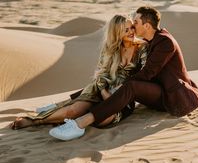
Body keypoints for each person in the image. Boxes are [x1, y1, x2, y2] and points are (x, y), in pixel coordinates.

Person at [49, 6, 198, 141]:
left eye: (136, 22)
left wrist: (120, 87)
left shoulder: (165, 42)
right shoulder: (151, 41)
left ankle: (80, 124)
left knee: (131, 86)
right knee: (116, 84)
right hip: (160, 90)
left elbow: (148, 73)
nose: (133, 26)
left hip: (175, 99)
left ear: (147, 25)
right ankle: (63, 106)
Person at [10, 14, 148, 130]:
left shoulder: (142, 47)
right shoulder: (110, 49)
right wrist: (104, 92)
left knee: (103, 121)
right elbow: (100, 73)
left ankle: (74, 118)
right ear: (116, 33)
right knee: (73, 110)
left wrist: (115, 95)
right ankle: (36, 121)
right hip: (101, 89)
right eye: (126, 30)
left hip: (123, 96)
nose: (131, 32)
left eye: (132, 28)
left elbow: (143, 74)